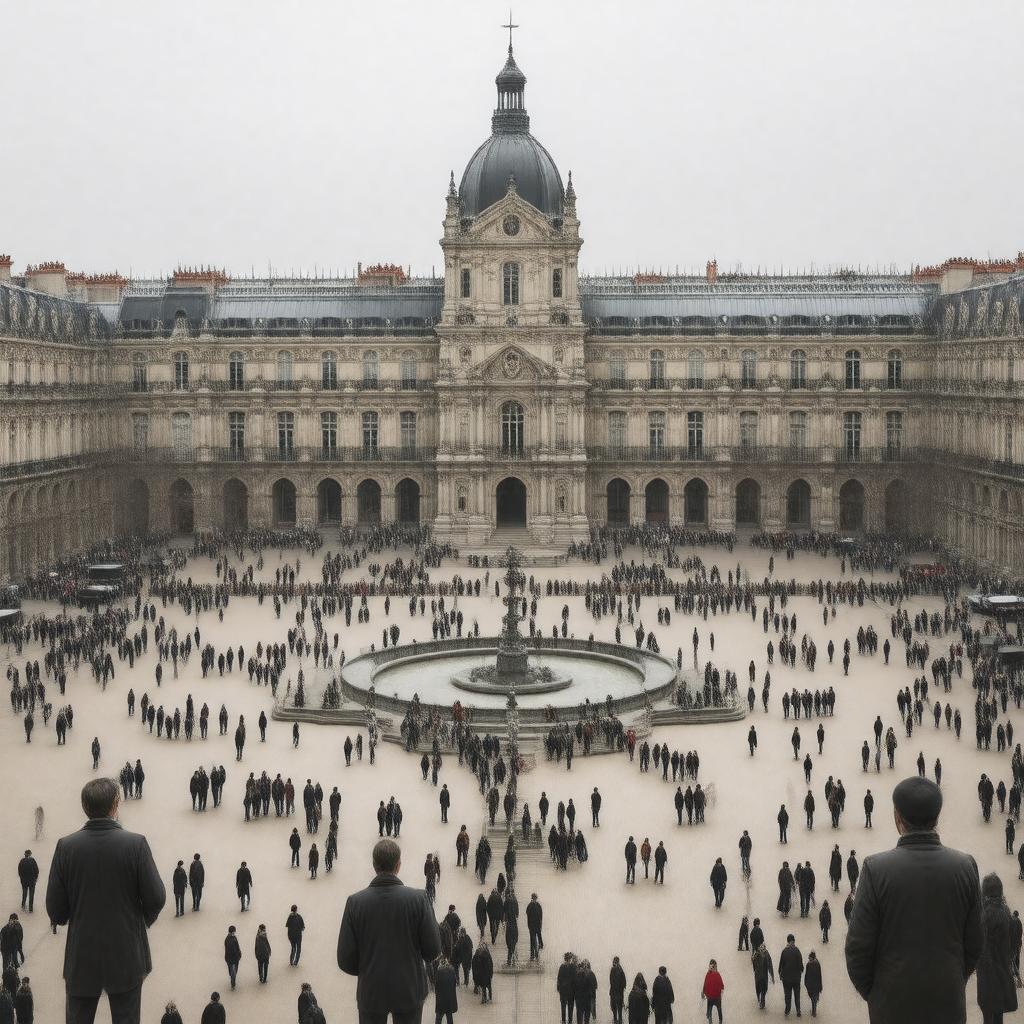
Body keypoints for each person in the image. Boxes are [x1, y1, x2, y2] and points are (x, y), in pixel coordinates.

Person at [845, 777, 983, 1023]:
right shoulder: (964, 866)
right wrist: (952, 980)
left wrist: (877, 995)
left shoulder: (876, 870)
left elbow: (857, 949)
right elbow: (975, 943)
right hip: (947, 1004)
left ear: (897, 818)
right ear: (937, 819)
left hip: (891, 1007)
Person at [44, 778, 165, 1024]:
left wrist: (73, 914)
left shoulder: (65, 847)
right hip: (126, 954)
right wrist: (137, 921)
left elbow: (56, 911)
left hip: (82, 955)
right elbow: (157, 897)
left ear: (84, 807)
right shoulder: (136, 844)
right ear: (115, 805)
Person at [337, 838, 442, 1024]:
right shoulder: (418, 899)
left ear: (374, 865)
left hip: (371, 991)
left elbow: (345, 959)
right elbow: (433, 950)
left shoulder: (355, 902)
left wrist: (368, 969)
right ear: (398, 865)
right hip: (409, 989)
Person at [977, 873, 1018, 1024]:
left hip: (987, 976)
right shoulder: (1008, 915)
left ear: (985, 894)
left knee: (987, 1015)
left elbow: (977, 948)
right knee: (998, 1014)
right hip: (1003, 973)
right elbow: (1015, 944)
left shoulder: (982, 916)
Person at [779, 934, 803, 1017]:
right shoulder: (797, 950)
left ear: (787, 941)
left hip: (787, 979)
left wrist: (780, 974)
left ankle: (787, 1010)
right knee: (797, 994)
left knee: (787, 995)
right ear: (793, 941)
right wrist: (801, 971)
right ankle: (798, 1010)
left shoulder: (784, 951)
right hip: (796, 978)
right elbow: (801, 965)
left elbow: (781, 965)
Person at [433, 957, 458, 1024]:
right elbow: (454, 984)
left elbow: (436, 986)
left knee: (439, 1017)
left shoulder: (439, 973)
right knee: (449, 1016)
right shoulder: (452, 972)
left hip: (441, 999)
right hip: (449, 999)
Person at [752, 943, 775, 1010]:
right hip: (763, 976)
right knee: (763, 989)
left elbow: (753, 963)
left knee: (759, 988)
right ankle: (762, 1002)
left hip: (758, 976)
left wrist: (755, 970)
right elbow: (770, 966)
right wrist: (772, 976)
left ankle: (760, 1000)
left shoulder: (756, 954)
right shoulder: (766, 954)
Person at [701, 959, 724, 1024]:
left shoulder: (709, 974)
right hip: (715, 998)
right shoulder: (715, 974)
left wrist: (703, 992)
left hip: (711, 997)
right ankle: (718, 1021)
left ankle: (712, 1019)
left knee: (711, 1010)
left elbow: (705, 984)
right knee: (718, 1010)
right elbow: (722, 986)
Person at [609, 956, 627, 1024]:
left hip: (614, 992)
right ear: (618, 961)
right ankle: (620, 1020)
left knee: (614, 1007)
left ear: (614, 961)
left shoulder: (613, 969)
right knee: (619, 1006)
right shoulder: (621, 969)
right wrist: (622, 988)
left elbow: (611, 981)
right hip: (620, 992)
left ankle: (615, 1020)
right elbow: (624, 982)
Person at [804, 951, 822, 1017]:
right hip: (816, 984)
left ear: (812, 957)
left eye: (809, 957)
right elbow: (820, 976)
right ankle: (814, 1010)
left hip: (811, 985)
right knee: (814, 998)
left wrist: (805, 983)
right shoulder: (818, 964)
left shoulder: (809, 964)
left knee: (812, 998)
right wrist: (820, 986)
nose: (808, 958)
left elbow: (806, 975)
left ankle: (814, 1011)